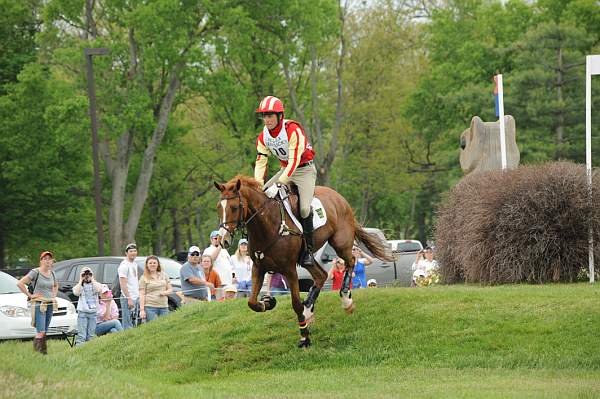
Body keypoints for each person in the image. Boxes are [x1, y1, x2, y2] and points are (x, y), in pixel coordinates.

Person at [254, 96, 317, 266]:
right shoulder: (263, 137)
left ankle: (309, 251)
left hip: (304, 170)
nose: (266, 119)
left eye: (270, 115)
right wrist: (258, 186)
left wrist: (280, 183)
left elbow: (295, 161)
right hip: (285, 169)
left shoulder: (292, 130)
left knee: (304, 209)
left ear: (280, 116)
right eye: (264, 116)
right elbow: (261, 162)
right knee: (262, 199)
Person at [16, 251, 58, 354]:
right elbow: (20, 283)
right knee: (41, 330)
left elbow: (56, 285)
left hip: (49, 303)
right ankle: (41, 353)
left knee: (45, 330)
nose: (48, 261)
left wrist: (53, 296)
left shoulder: (52, 273)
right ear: (41, 261)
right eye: (45, 258)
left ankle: (38, 351)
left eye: (50, 259)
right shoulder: (35, 272)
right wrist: (30, 295)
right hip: (39, 304)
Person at [73, 267, 103, 345]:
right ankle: (79, 350)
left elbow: (99, 289)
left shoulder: (95, 284)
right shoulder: (80, 285)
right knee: (81, 336)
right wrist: (81, 280)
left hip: (93, 312)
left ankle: (88, 351)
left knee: (91, 336)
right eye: (85, 274)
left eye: (89, 274)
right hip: (83, 312)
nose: (87, 276)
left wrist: (92, 279)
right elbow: (76, 292)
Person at [139, 255, 172, 322]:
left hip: (164, 306)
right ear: (147, 265)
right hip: (150, 307)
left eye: (154, 263)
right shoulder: (143, 278)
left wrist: (165, 292)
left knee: (165, 326)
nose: (152, 264)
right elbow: (142, 294)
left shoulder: (164, 275)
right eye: (150, 263)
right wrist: (142, 310)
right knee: (154, 326)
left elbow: (170, 289)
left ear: (158, 264)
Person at [118, 242, 140, 329]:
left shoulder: (134, 264)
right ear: (126, 253)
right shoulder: (124, 265)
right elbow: (123, 283)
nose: (133, 253)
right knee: (127, 324)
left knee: (134, 322)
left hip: (135, 296)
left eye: (135, 251)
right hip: (127, 297)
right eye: (131, 251)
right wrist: (128, 298)